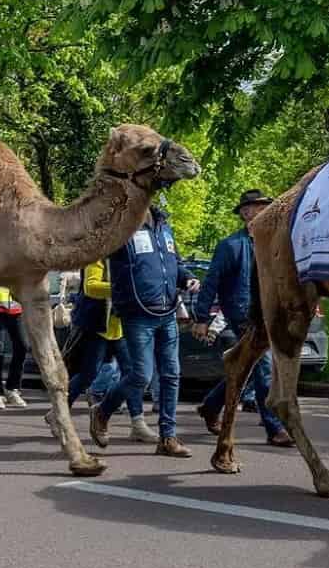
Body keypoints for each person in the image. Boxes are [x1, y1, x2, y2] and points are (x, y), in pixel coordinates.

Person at [90, 203, 198, 457]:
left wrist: (187, 277)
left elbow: (174, 263)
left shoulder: (164, 227)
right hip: (136, 312)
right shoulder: (121, 226)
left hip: (167, 311)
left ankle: (168, 438)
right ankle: (102, 412)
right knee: (141, 375)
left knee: (171, 374)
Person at [194, 190, 294, 447]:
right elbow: (211, 282)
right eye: (259, 207)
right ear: (246, 212)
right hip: (243, 316)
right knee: (263, 369)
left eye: (266, 207)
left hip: (268, 313)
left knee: (245, 367)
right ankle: (274, 428)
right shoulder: (230, 246)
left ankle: (210, 405)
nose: (265, 211)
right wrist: (201, 317)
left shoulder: (272, 243)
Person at [48, 261, 138, 439]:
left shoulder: (128, 255)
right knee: (88, 374)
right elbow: (91, 286)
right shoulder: (101, 255)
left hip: (119, 326)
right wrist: (123, 289)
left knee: (134, 374)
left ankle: (138, 422)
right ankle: (57, 414)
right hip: (98, 326)